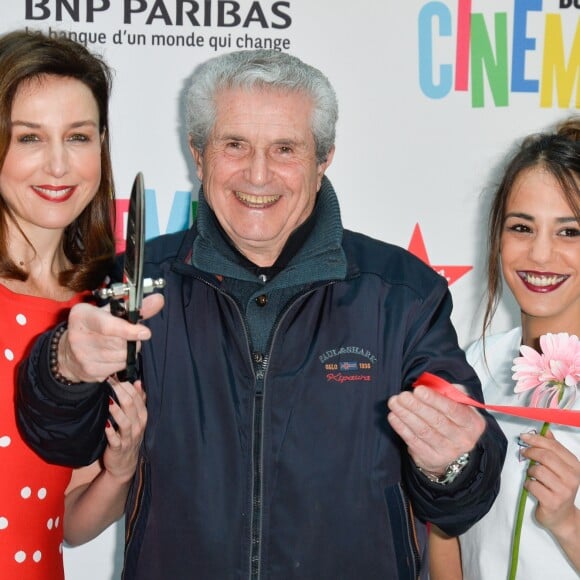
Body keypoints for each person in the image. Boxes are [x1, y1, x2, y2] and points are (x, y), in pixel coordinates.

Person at [17, 49, 506, 579]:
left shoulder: (402, 295)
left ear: (323, 161)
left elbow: (462, 498)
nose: (257, 174)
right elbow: (64, 440)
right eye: (234, 145)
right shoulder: (131, 281)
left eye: (285, 149)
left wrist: (451, 465)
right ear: (198, 155)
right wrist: (64, 365)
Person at [0, 30, 147, 579]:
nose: (59, 167)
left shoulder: (102, 311)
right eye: (29, 139)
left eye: (79, 137)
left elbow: (66, 520)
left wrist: (119, 465)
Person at [429, 118, 580, 579]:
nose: (539, 255)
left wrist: (567, 523)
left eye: (569, 232)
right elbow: (444, 529)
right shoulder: (472, 367)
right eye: (521, 227)